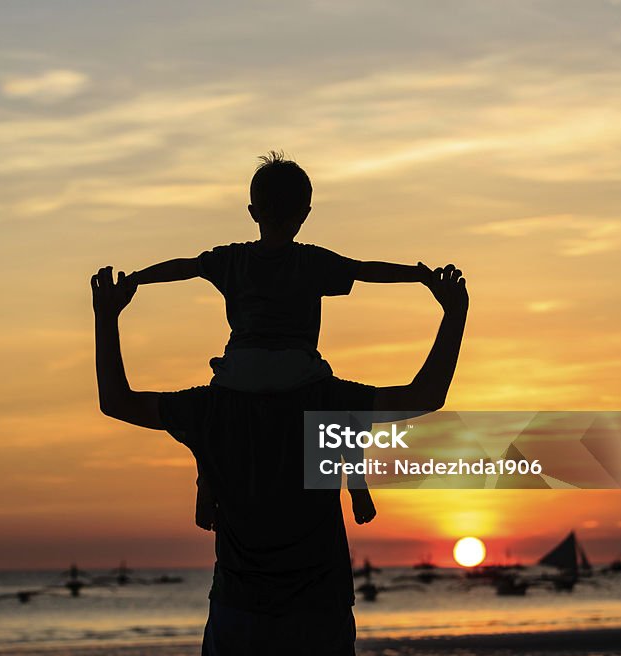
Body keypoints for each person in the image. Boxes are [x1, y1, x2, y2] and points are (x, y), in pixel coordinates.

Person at [92, 259, 467, 656]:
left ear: (235, 315)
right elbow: (425, 395)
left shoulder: (208, 408)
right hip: (318, 612)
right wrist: (453, 314)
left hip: (239, 612)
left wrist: (107, 317)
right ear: (311, 317)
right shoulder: (329, 402)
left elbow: (117, 400)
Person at [127, 151, 434, 530]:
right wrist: (419, 276)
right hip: (298, 370)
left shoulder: (231, 259)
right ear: (304, 214)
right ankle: (355, 484)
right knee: (338, 413)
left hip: (240, 370)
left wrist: (136, 279)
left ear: (253, 212)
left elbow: (184, 267)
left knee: (209, 422)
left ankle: (206, 485)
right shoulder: (312, 262)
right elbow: (366, 270)